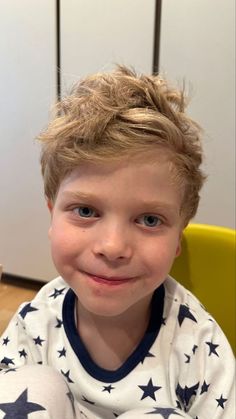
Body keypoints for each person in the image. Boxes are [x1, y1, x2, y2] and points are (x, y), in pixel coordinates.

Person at [0, 66, 234, 419]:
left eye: (150, 220)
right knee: (27, 389)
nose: (112, 246)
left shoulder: (198, 346)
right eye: (86, 210)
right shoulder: (35, 324)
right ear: (52, 216)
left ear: (177, 239)